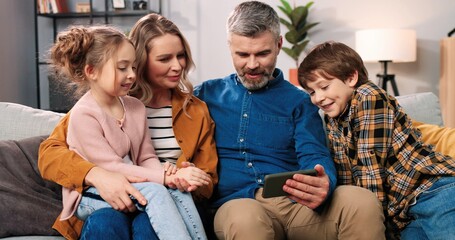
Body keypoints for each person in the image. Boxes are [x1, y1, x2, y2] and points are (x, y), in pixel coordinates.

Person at [192, 1, 386, 239]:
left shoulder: (300, 101)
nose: (252, 65)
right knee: (246, 219)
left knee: (361, 201)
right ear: (229, 45)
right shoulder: (204, 95)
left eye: (263, 53)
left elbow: (314, 154)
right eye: (242, 54)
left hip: (297, 208)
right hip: (237, 206)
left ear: (279, 44)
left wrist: (324, 181)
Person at [39, 19, 218, 239]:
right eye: (164, 59)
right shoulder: (98, 103)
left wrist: (185, 177)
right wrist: (96, 175)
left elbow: (206, 179)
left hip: (161, 190)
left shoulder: (194, 110)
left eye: (180, 56)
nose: (178, 66)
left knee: (148, 225)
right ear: (142, 59)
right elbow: (49, 153)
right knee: (106, 222)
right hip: (113, 194)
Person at [298, 41, 455, 239]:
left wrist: (373, 220)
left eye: (324, 87)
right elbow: (346, 176)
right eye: (312, 92)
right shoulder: (333, 118)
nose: (318, 98)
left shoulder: (369, 97)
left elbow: (369, 168)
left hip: (433, 191)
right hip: (405, 212)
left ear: (351, 78)